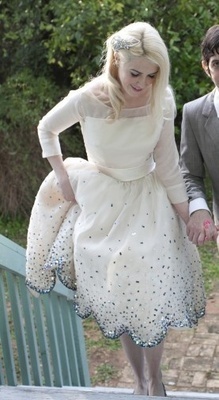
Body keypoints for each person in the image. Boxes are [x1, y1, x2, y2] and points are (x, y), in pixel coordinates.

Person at [26, 21, 205, 397]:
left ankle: (155, 380)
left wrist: (186, 213)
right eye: (134, 72)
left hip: (148, 195)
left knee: (151, 286)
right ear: (115, 62)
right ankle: (138, 379)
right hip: (102, 198)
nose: (142, 82)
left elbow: (169, 163)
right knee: (117, 288)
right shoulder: (88, 97)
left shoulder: (162, 99)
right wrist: (61, 174)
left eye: (152, 74)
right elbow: (47, 128)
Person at [180, 25, 219, 247]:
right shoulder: (193, 113)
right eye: (217, 64)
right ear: (206, 67)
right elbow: (190, 174)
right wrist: (200, 208)